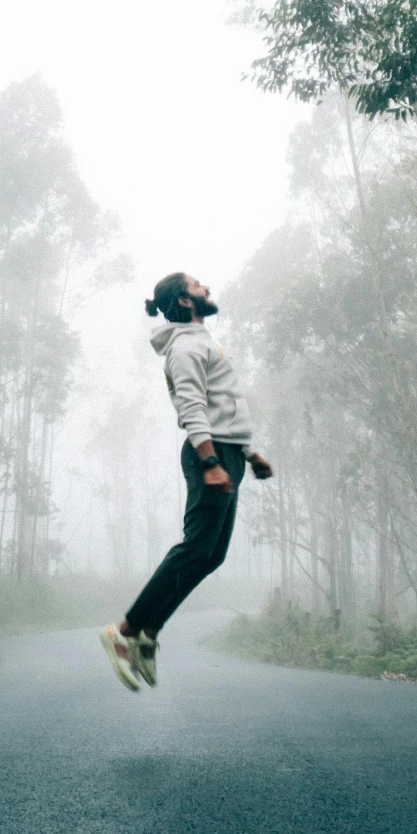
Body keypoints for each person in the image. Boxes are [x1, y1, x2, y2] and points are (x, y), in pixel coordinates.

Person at [100, 271, 273, 690]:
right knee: (195, 546)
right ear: (184, 301)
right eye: (198, 285)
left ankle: (149, 633)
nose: (208, 287)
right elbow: (192, 407)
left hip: (227, 451)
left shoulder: (203, 342)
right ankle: (124, 631)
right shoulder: (186, 348)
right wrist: (210, 460)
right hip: (209, 454)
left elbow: (222, 405)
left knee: (211, 555)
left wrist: (248, 453)